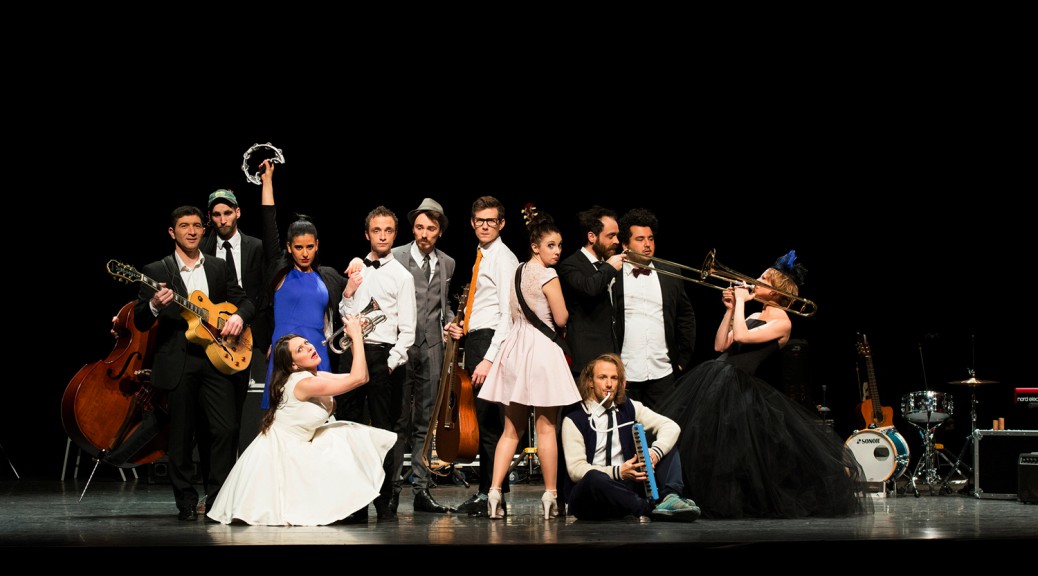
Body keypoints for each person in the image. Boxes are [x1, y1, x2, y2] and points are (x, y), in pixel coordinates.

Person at [658, 251, 873, 519]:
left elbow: (743, 336)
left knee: (734, 449)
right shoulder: (754, 314)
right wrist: (731, 310)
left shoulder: (782, 322)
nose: (754, 281)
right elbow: (720, 345)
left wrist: (740, 302)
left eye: (762, 279)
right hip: (716, 375)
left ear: (775, 291)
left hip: (737, 385)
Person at [206, 322, 397, 526]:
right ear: (294, 365)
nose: (309, 347)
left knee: (343, 432)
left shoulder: (314, 376)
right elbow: (359, 378)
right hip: (281, 453)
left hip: (300, 444)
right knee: (340, 434)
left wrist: (355, 338)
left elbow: (360, 377)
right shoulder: (303, 382)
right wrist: (357, 337)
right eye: (300, 349)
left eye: (306, 343)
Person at [133, 205, 256, 521]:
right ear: (172, 232)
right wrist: (154, 305)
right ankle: (186, 500)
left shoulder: (217, 266)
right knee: (181, 436)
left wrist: (239, 318)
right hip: (178, 361)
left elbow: (245, 301)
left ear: (204, 230)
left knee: (226, 429)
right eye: (184, 226)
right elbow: (141, 320)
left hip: (216, 358)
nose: (191, 231)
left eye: (197, 226)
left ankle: (218, 499)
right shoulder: (157, 270)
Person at [477, 210, 581, 519]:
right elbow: (561, 317)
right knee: (546, 428)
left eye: (559, 245)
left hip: (514, 349)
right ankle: (551, 496)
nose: (557, 251)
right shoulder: (549, 276)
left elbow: (511, 314)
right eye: (551, 245)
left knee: (511, 430)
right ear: (535, 246)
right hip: (541, 351)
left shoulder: (517, 272)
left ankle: (494, 492)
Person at [338, 205, 417, 521]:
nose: (382, 236)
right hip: (352, 353)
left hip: (383, 357)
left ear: (395, 235)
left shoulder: (402, 277)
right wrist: (348, 293)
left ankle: (383, 501)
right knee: (350, 428)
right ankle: (354, 504)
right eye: (376, 230)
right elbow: (346, 314)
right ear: (367, 234)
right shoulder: (357, 269)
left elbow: (408, 329)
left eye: (388, 231)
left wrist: (391, 362)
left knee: (383, 432)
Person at [445, 196, 520, 517]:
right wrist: (461, 326)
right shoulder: (482, 256)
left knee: (490, 425)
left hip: (491, 343)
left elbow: (507, 314)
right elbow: (483, 307)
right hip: (478, 339)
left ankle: (491, 495)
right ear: (472, 223)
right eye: (480, 220)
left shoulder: (503, 258)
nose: (485, 226)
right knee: (484, 422)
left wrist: (489, 358)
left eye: (491, 221)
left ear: (501, 224)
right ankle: (491, 493)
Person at [559, 353, 701, 522]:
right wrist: (619, 471)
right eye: (602, 378)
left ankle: (671, 497)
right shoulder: (575, 418)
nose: (609, 384)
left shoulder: (628, 407)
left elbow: (671, 426)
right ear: (590, 382)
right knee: (594, 478)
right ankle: (651, 510)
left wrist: (655, 453)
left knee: (667, 445)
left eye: (614, 378)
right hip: (591, 496)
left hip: (625, 490)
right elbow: (576, 470)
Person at [258, 160, 347, 412]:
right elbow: (268, 222)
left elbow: (350, 293)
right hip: (287, 356)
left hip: (319, 354)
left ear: (317, 245)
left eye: (309, 247)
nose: (304, 253)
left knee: (320, 413)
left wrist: (356, 262)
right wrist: (267, 181)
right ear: (289, 247)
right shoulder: (281, 272)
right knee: (283, 413)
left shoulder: (326, 276)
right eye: (298, 247)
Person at [390, 198, 456, 514]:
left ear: (439, 231)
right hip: (402, 345)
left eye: (430, 228)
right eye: (419, 227)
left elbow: (444, 304)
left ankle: (421, 489)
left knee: (427, 422)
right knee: (399, 419)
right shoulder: (395, 257)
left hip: (431, 346)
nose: (424, 234)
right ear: (413, 229)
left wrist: (452, 322)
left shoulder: (448, 263)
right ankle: (391, 490)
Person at [202, 187, 271, 452]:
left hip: (253, 334)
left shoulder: (257, 247)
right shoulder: (203, 249)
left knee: (249, 411)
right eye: (217, 215)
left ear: (238, 213)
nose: (223, 220)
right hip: (216, 335)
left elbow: (266, 293)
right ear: (210, 217)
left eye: (227, 213)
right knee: (219, 415)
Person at [614, 208, 696, 410]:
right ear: (625, 245)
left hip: (662, 373)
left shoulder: (670, 272)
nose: (647, 245)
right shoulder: (613, 275)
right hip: (626, 374)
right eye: (640, 239)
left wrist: (682, 359)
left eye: (650, 239)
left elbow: (685, 316)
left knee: (665, 426)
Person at [558, 206, 625, 379]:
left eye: (617, 235)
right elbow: (590, 289)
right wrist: (609, 268)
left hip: (610, 357)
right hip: (585, 361)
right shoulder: (570, 265)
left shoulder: (608, 265)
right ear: (592, 237)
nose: (617, 241)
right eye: (611, 236)